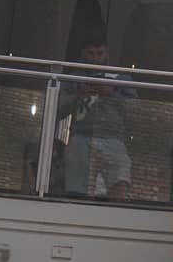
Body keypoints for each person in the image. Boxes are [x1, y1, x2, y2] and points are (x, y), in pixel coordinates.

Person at [57, 37, 136, 199]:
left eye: (100, 53)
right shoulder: (74, 78)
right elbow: (57, 108)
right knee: (76, 190)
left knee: (119, 185)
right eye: (91, 53)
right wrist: (78, 95)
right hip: (82, 136)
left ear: (107, 53)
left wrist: (109, 93)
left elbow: (135, 109)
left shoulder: (120, 78)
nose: (95, 58)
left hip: (114, 138)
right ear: (83, 54)